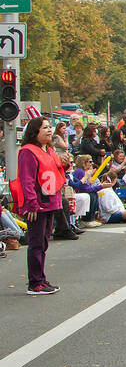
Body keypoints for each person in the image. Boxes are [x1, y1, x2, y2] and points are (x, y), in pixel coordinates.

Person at [15, 116, 66, 295]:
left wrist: (64, 165)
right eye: (44, 127)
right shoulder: (28, 151)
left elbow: (53, 172)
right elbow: (26, 180)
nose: (49, 130)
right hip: (37, 204)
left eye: (49, 127)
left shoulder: (49, 150)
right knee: (36, 243)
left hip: (50, 201)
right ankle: (35, 282)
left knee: (43, 243)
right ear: (34, 131)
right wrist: (31, 204)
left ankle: (41, 279)